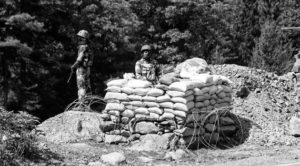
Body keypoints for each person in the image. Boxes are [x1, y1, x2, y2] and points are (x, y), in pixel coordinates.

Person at [71, 30, 93, 100]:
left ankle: (82, 104)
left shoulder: (82, 47)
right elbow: (91, 59)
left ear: (84, 38)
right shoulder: (89, 47)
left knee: (81, 86)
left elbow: (79, 59)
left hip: (81, 69)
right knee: (87, 86)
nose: (79, 39)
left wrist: (73, 66)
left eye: (80, 37)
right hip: (87, 69)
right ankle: (88, 103)